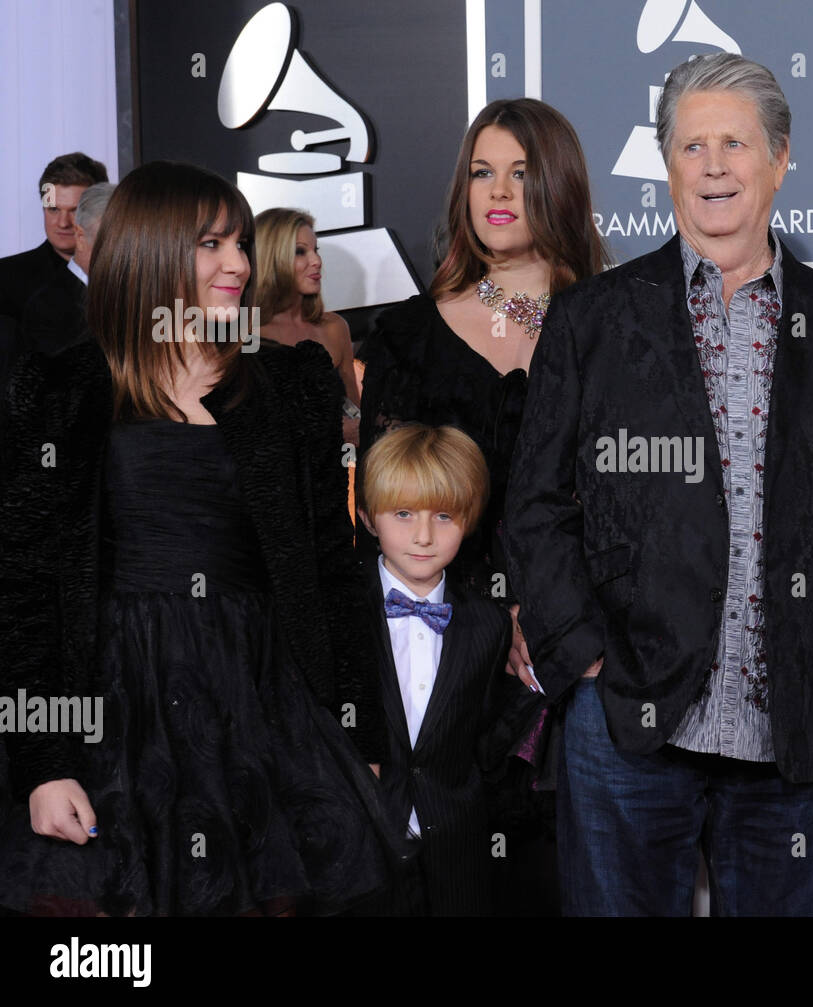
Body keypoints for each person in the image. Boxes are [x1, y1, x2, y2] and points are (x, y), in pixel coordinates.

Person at [502, 53, 813, 917]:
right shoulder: (592, 319)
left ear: (780, 159)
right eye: (691, 145)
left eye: (735, 142)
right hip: (626, 723)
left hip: (797, 731)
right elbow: (536, 500)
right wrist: (585, 656)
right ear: (666, 165)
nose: (712, 166)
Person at [0, 161, 393, 916]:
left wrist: (357, 731)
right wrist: (41, 764)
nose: (239, 264)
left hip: (263, 704)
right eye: (211, 244)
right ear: (149, 249)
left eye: (241, 243)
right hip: (110, 714)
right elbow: (23, 590)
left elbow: (331, 568)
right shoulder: (61, 390)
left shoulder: (288, 383)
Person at [359, 97, 606, 915]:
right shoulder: (407, 334)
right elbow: (384, 507)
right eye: (481, 171)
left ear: (561, 188)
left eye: (523, 174)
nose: (498, 191)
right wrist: (484, 622)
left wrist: (557, 618)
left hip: (584, 662)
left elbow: (641, 509)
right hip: (446, 671)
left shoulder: (616, 325)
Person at [354, 423, 537, 915]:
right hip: (358, 848)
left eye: (444, 516)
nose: (423, 535)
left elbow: (487, 736)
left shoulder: (489, 624)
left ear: (470, 520)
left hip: (459, 851)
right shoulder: (339, 611)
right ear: (368, 517)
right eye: (403, 513)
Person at [253, 208, 361, 444]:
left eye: (316, 250)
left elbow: (354, 416)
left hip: (329, 475)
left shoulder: (334, 327)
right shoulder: (238, 333)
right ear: (270, 257)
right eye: (300, 252)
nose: (317, 261)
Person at [0, 152, 108, 327]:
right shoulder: (6, 279)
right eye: (53, 210)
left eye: (75, 211)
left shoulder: (129, 278)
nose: (63, 223)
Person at [19, 182, 116, 359]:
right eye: (112, 243)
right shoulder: (46, 307)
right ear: (80, 237)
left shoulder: (139, 296)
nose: (125, 253)